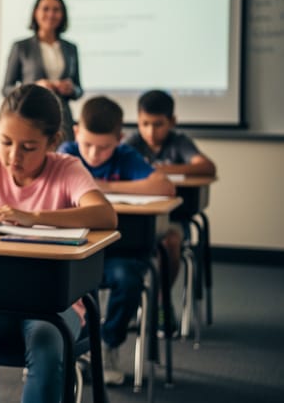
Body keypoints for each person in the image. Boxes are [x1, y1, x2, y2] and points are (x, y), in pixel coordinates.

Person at [0, 84, 116, 403]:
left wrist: (34, 216)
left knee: (46, 342)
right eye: (6, 142)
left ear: (53, 142)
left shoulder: (66, 169)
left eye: (28, 146)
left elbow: (105, 215)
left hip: (52, 304)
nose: (13, 156)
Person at [58, 95, 174, 385]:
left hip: (119, 254)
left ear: (120, 139)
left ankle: (107, 345)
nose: (94, 154)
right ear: (76, 132)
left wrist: (100, 186)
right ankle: (67, 348)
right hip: (77, 251)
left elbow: (164, 186)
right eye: (88, 145)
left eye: (104, 147)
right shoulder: (67, 154)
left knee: (128, 280)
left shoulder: (126, 156)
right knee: (60, 281)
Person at [124, 89, 217, 308]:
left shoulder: (179, 142)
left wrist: (158, 169)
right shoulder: (132, 143)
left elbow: (207, 167)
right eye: (145, 123)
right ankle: (129, 305)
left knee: (170, 244)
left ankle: (161, 301)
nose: (151, 131)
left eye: (158, 124)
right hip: (136, 220)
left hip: (172, 219)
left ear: (172, 121)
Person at [2, 0, 82, 142]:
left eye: (56, 9)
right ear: (35, 13)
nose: (51, 14)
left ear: (63, 14)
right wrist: (33, 86)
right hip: (30, 117)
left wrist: (71, 88)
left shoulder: (71, 48)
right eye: (45, 9)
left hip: (63, 120)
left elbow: (79, 89)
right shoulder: (21, 47)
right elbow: (6, 88)